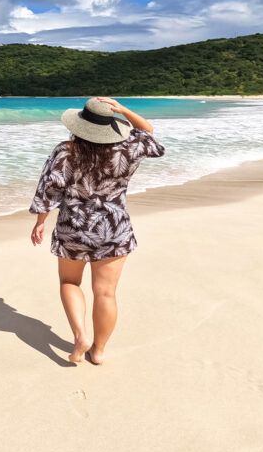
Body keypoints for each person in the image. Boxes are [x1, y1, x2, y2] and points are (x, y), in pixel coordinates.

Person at [29, 96, 165, 366]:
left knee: (70, 283)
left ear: (80, 124)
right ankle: (99, 351)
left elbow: (48, 190)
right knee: (105, 293)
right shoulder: (129, 147)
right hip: (114, 228)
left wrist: (40, 222)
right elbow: (148, 132)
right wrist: (123, 109)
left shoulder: (65, 150)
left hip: (73, 228)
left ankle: (81, 336)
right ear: (112, 125)